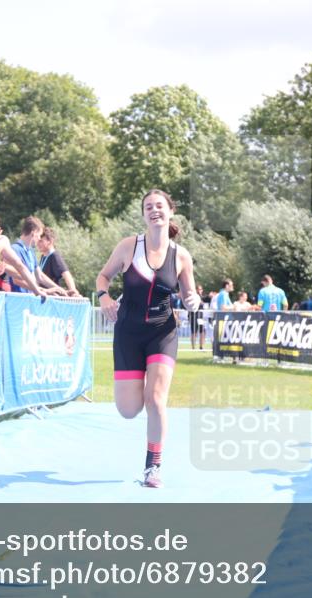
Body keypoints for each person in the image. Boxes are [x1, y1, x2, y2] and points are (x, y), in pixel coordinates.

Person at [96, 189, 201, 489]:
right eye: (148, 207)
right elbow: (103, 278)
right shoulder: (129, 246)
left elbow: (189, 296)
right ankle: (138, 389)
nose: (154, 210)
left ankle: (152, 467)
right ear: (143, 214)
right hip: (128, 332)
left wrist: (193, 302)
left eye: (159, 206)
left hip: (162, 331)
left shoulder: (181, 255)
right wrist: (104, 297)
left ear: (170, 212)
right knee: (129, 410)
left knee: (156, 399)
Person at [37, 227, 79, 295]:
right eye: (38, 241)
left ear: (50, 241)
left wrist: (73, 291)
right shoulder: (43, 256)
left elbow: (66, 274)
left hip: (54, 298)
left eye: (41, 241)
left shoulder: (54, 256)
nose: (38, 243)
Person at [188, 283, 206, 349]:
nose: (200, 290)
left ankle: (201, 346)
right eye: (199, 289)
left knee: (202, 331)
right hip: (194, 316)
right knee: (194, 332)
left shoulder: (202, 297)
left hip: (200, 317)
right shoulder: (194, 297)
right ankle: (193, 347)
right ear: (196, 290)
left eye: (201, 289)